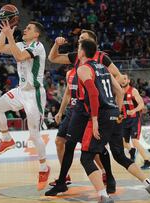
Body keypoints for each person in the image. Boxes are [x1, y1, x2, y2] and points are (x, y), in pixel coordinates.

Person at [46, 30, 124, 192]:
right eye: (79, 39)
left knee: (98, 148)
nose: (79, 41)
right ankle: (62, 181)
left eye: (83, 39)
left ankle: (109, 177)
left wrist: (105, 93)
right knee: (67, 143)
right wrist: (56, 44)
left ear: (92, 43)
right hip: (79, 107)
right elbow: (53, 58)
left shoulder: (102, 58)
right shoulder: (77, 56)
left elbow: (119, 77)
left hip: (97, 107)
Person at [0, 20, 50, 190]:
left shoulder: (38, 46)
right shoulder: (21, 44)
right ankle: (7, 139)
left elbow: (20, 56)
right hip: (20, 91)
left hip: (34, 94)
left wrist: (10, 36)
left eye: (29, 28)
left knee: (34, 134)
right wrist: (5, 31)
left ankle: (44, 168)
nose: (25, 29)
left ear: (36, 34)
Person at [120, 74, 150, 169]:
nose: (123, 80)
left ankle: (147, 162)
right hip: (124, 120)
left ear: (128, 80)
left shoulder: (133, 91)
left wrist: (134, 110)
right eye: (122, 79)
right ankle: (131, 151)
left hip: (134, 119)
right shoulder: (119, 92)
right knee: (122, 141)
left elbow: (142, 104)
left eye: (125, 79)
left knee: (135, 141)